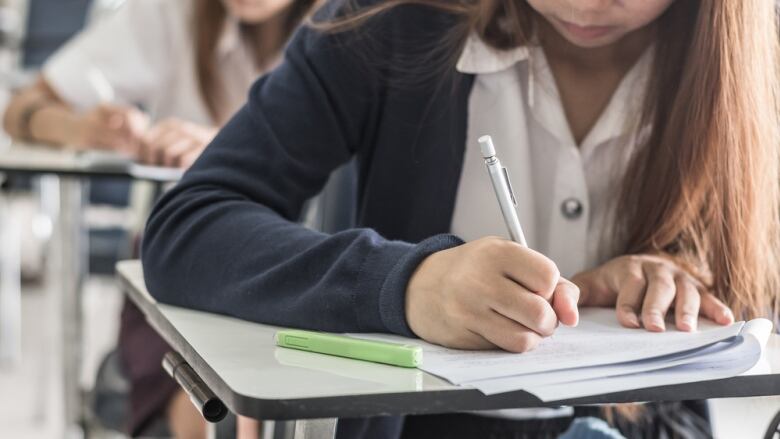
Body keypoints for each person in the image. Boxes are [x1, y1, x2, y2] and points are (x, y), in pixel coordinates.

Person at [141, 0, 780, 437]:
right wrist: (409, 284)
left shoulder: (755, 62)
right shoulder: (388, 21)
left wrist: (687, 271)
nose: (587, 4)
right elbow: (191, 226)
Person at [3, 0, 316, 436]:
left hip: (305, 271)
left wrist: (227, 148)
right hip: (188, 268)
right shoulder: (172, 14)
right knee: (214, 403)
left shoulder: (353, 29)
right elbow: (20, 108)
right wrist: (84, 130)